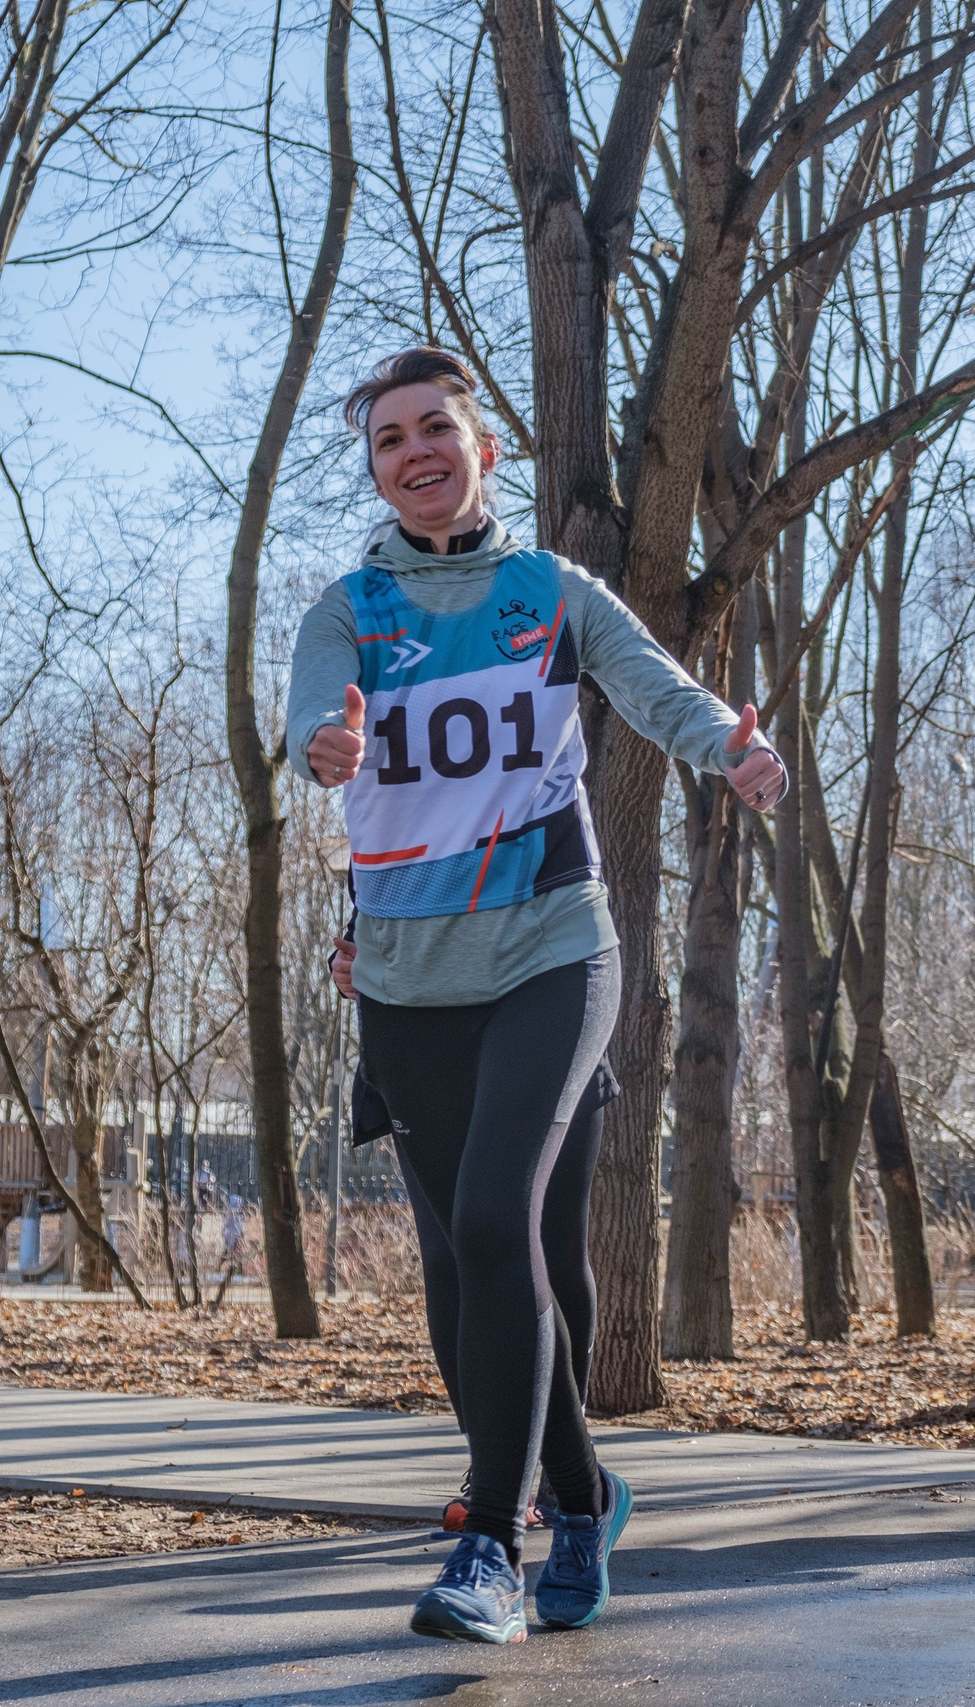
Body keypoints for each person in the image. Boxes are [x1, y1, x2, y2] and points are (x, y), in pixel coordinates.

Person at [292, 347, 786, 1644]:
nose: (415, 449)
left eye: (435, 426)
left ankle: (490, 1552)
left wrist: (728, 747)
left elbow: (652, 684)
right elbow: (306, 719)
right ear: (378, 469)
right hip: (405, 973)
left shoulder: (547, 591)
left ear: (482, 445)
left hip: (551, 946)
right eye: (390, 437)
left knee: (507, 1214)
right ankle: (581, 1495)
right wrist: (323, 741)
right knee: (462, 1272)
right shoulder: (348, 609)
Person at [335, 938, 605, 1536]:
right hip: (420, 1046)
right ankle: (496, 1467)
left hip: (539, 1019)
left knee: (548, 1252)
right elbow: (374, 898)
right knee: (455, 1261)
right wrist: (356, 954)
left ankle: (564, 1474)